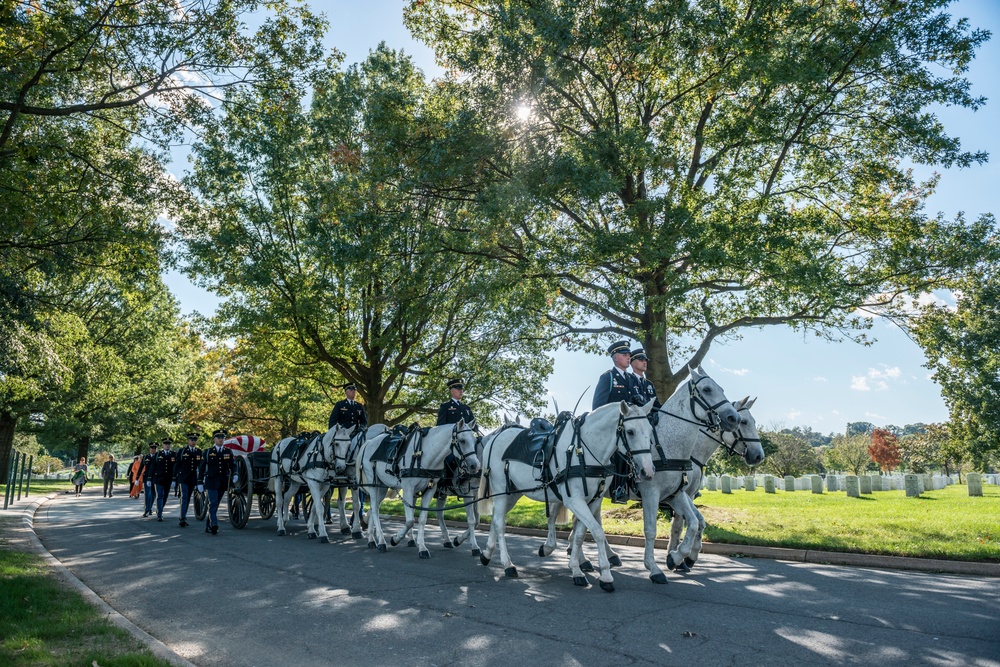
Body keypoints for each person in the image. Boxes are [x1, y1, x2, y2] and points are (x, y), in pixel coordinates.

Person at [199, 429, 234, 535]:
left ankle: (208, 526)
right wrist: (199, 481)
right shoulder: (208, 452)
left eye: (222, 438)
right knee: (213, 503)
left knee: (216, 504)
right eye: (219, 438)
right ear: (214, 439)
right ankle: (214, 524)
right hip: (211, 481)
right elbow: (202, 467)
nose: (221, 439)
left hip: (222, 482)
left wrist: (235, 474)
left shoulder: (228, 451)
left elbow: (233, 465)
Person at [174, 431, 204, 527]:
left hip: (192, 478)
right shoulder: (182, 451)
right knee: (184, 496)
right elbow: (177, 464)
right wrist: (174, 478)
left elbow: (201, 465)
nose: (193, 442)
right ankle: (182, 517)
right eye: (192, 440)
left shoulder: (199, 452)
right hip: (183, 477)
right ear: (188, 441)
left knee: (188, 498)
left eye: (195, 440)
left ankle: (183, 515)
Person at [592, 340, 633, 410]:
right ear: (615, 358)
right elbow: (598, 407)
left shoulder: (633, 378)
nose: (628, 358)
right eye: (624, 355)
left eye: (629, 355)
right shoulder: (608, 377)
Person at [152, 437, 177, 522]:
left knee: (165, 496)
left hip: (168, 479)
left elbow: (176, 467)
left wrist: (174, 479)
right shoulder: (158, 454)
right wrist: (149, 478)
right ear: (163, 445)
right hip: (159, 479)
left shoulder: (174, 454)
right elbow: (153, 466)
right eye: (166, 444)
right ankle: (159, 514)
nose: (167, 445)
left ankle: (160, 508)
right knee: (160, 495)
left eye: (169, 444)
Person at [138, 442, 158, 517]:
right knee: (148, 494)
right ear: (149, 449)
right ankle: (147, 509)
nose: (153, 450)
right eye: (152, 448)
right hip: (147, 477)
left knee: (154, 494)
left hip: (155, 477)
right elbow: (141, 467)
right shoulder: (146, 457)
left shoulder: (158, 456)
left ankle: (150, 507)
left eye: (155, 448)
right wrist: (137, 478)